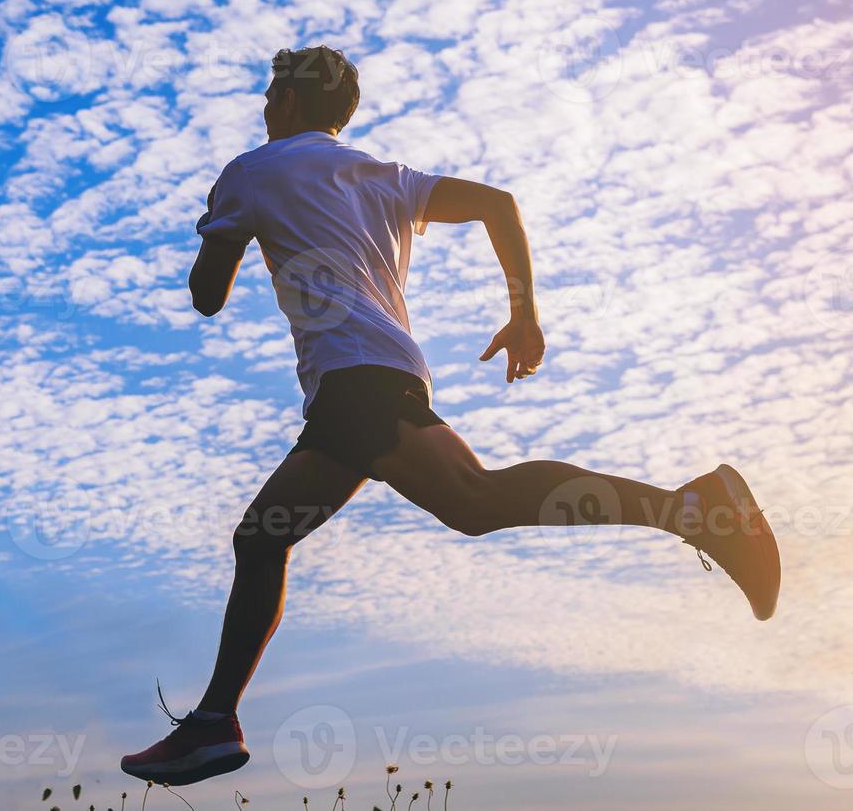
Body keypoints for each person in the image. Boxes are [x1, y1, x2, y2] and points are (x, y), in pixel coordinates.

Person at [119, 45, 780, 787]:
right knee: (266, 534)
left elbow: (206, 297)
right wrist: (525, 316)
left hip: (355, 381)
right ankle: (214, 723)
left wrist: (220, 229)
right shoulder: (382, 177)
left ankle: (690, 508)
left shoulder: (251, 172)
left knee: (472, 499)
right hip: (382, 372)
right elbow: (499, 204)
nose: (265, 110)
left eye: (273, 97)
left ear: (296, 105)